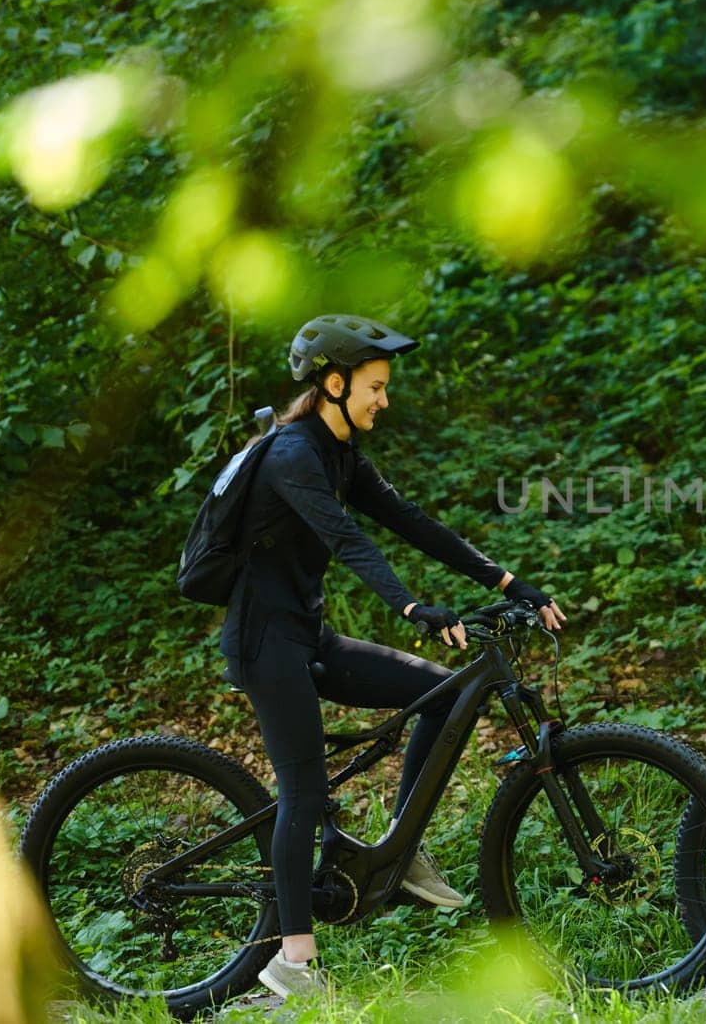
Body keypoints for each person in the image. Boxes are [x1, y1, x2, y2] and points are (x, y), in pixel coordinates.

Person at [220, 314, 567, 1000]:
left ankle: (399, 855)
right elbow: (348, 541)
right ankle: (294, 961)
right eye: (375, 386)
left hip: (309, 637)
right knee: (305, 791)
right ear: (334, 382)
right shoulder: (294, 455)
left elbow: (411, 522)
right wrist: (412, 608)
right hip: (266, 643)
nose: (384, 399)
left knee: (442, 694)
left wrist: (506, 581)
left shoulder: (342, 453)